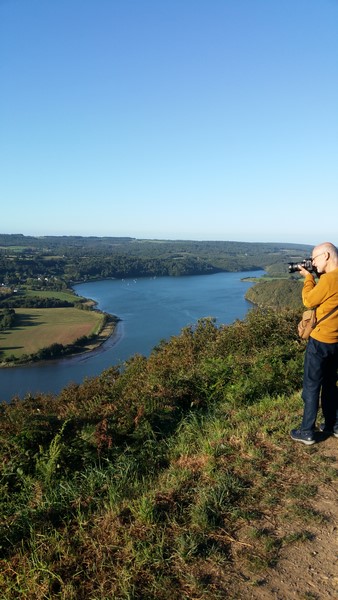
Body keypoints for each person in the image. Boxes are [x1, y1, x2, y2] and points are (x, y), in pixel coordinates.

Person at [290, 242, 338, 445]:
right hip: (336, 342)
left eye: (314, 259)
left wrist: (308, 278)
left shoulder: (327, 281)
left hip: (319, 343)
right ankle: (333, 425)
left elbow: (309, 301)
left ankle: (307, 431)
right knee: (330, 385)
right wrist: (317, 274)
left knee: (311, 386)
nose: (313, 263)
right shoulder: (330, 280)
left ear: (326, 256)